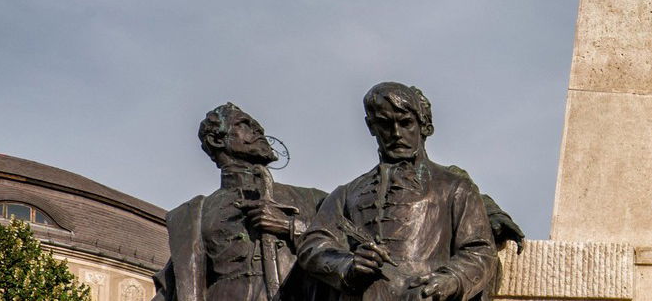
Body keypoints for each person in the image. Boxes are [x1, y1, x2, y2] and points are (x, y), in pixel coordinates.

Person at [297, 83, 498, 301]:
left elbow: (480, 250)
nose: (396, 134)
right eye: (385, 124)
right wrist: (348, 264)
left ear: (422, 125)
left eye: (405, 123)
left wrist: (450, 280)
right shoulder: (346, 194)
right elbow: (313, 246)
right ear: (371, 127)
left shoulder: (455, 188)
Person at [153, 104, 327, 301]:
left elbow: (344, 249)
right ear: (216, 140)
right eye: (244, 124)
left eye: (257, 126)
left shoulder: (312, 200)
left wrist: (290, 227)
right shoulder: (195, 214)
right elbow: (171, 289)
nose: (258, 130)